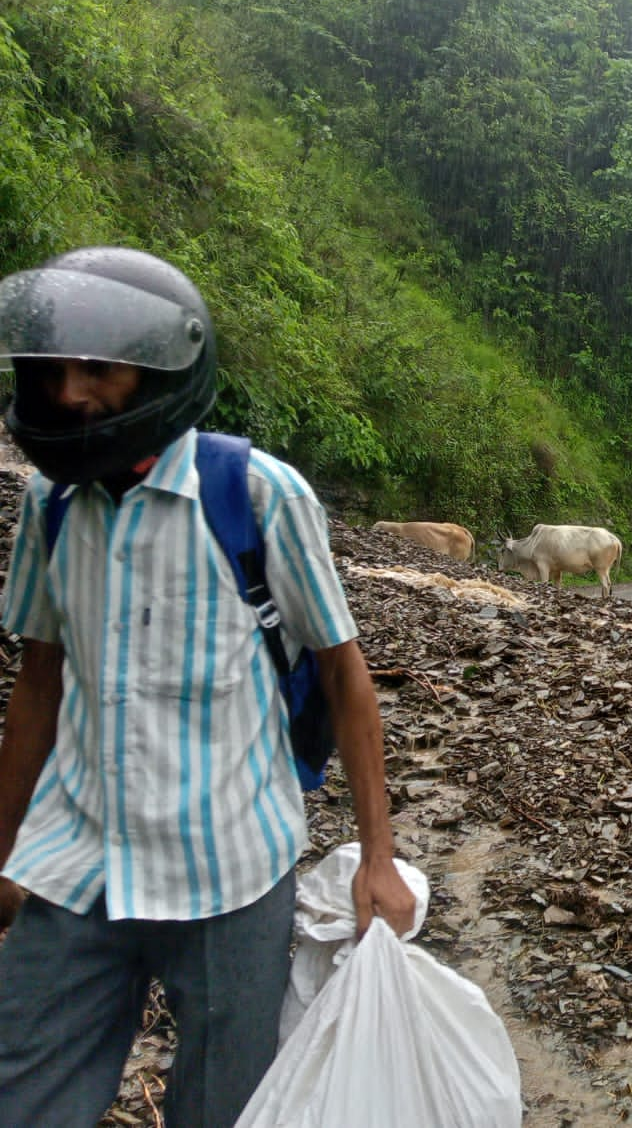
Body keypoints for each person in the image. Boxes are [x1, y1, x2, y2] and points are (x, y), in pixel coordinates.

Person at [0, 247, 416, 1127]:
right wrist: (4, 845)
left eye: (98, 370)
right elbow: (40, 679)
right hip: (79, 865)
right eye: (52, 370)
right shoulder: (50, 505)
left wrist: (378, 860)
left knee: (224, 1109)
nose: (71, 393)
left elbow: (345, 673)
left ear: (160, 371)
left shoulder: (258, 495)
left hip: (230, 873)